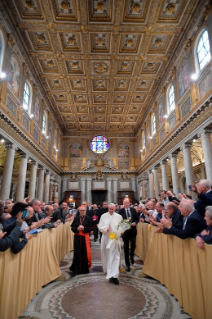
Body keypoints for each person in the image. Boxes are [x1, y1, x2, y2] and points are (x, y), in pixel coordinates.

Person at [98, 203, 122, 285]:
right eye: (110, 209)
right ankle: (108, 272)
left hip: (115, 238)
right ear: (108, 209)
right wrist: (106, 228)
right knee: (108, 255)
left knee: (116, 256)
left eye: (112, 209)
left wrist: (120, 232)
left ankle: (115, 275)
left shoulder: (119, 217)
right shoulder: (103, 216)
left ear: (115, 209)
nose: (111, 211)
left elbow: (122, 227)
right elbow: (100, 227)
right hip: (106, 238)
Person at [69, 206, 94, 275]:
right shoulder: (76, 218)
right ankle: (76, 269)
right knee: (76, 253)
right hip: (77, 237)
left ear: (85, 211)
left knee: (84, 253)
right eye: (81, 211)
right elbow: (72, 228)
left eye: (83, 210)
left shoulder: (88, 218)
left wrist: (84, 228)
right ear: (79, 211)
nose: (82, 212)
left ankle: (84, 269)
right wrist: (77, 228)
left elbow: (91, 229)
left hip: (85, 238)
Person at [119, 198, 138, 271]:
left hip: (133, 231)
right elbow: (119, 221)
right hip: (125, 231)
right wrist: (124, 223)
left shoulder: (133, 210)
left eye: (127, 203)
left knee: (133, 244)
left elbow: (137, 218)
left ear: (129, 203)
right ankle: (127, 264)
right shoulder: (120, 211)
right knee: (126, 247)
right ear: (123, 204)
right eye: (125, 203)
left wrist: (135, 223)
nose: (126, 204)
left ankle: (132, 255)